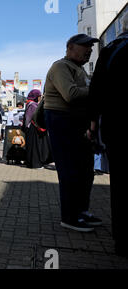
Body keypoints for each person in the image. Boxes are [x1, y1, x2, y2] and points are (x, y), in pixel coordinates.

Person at [44, 33, 102, 232]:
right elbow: (71, 94)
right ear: (70, 48)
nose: (89, 50)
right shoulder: (61, 66)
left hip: (75, 123)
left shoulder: (79, 69)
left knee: (85, 171)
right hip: (62, 121)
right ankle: (69, 217)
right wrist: (98, 89)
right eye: (85, 46)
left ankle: (81, 211)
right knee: (70, 171)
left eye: (91, 46)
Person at [89, 13, 128, 256]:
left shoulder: (113, 49)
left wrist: (93, 126)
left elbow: (96, 93)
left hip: (118, 128)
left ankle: (122, 241)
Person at [23, 89, 53, 169]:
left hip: (32, 127)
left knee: (33, 146)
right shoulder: (32, 105)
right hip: (33, 127)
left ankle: (32, 163)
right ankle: (35, 164)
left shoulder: (30, 103)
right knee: (35, 147)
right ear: (35, 96)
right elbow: (30, 117)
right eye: (39, 96)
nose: (40, 98)